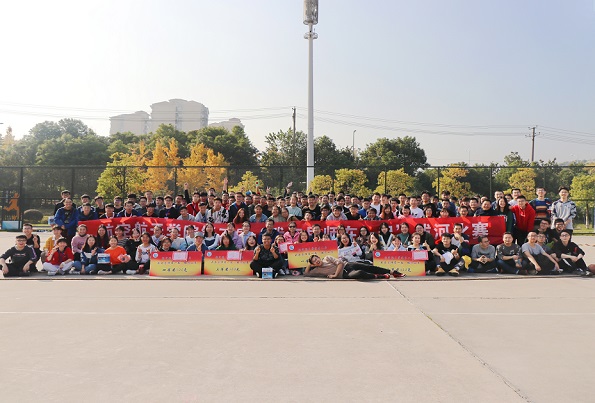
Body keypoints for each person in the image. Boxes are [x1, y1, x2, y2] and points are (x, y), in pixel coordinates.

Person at [305, 254, 404, 279]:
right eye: (314, 261)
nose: (317, 261)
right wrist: (309, 264)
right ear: (313, 264)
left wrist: (335, 275)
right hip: (344, 274)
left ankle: (392, 272)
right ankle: (379, 276)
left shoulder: (327, 258)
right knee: (359, 274)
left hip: (347, 265)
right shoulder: (317, 270)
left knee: (367, 266)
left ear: (319, 257)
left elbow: (340, 263)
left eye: (316, 258)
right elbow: (306, 274)